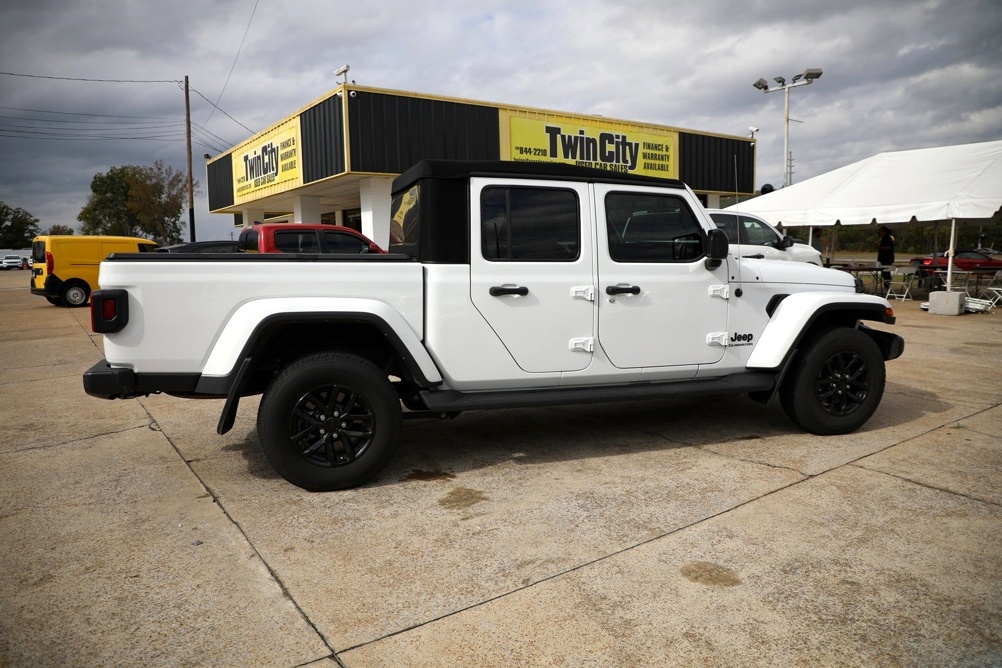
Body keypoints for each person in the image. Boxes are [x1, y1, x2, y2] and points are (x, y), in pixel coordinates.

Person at [877, 225, 895, 290]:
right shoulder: (884, 238)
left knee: (886, 273)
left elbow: (889, 247)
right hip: (884, 259)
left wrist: (880, 247)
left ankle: (887, 286)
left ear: (884, 231)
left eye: (880, 231)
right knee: (884, 273)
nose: (879, 233)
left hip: (887, 259)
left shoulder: (887, 238)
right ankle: (886, 285)